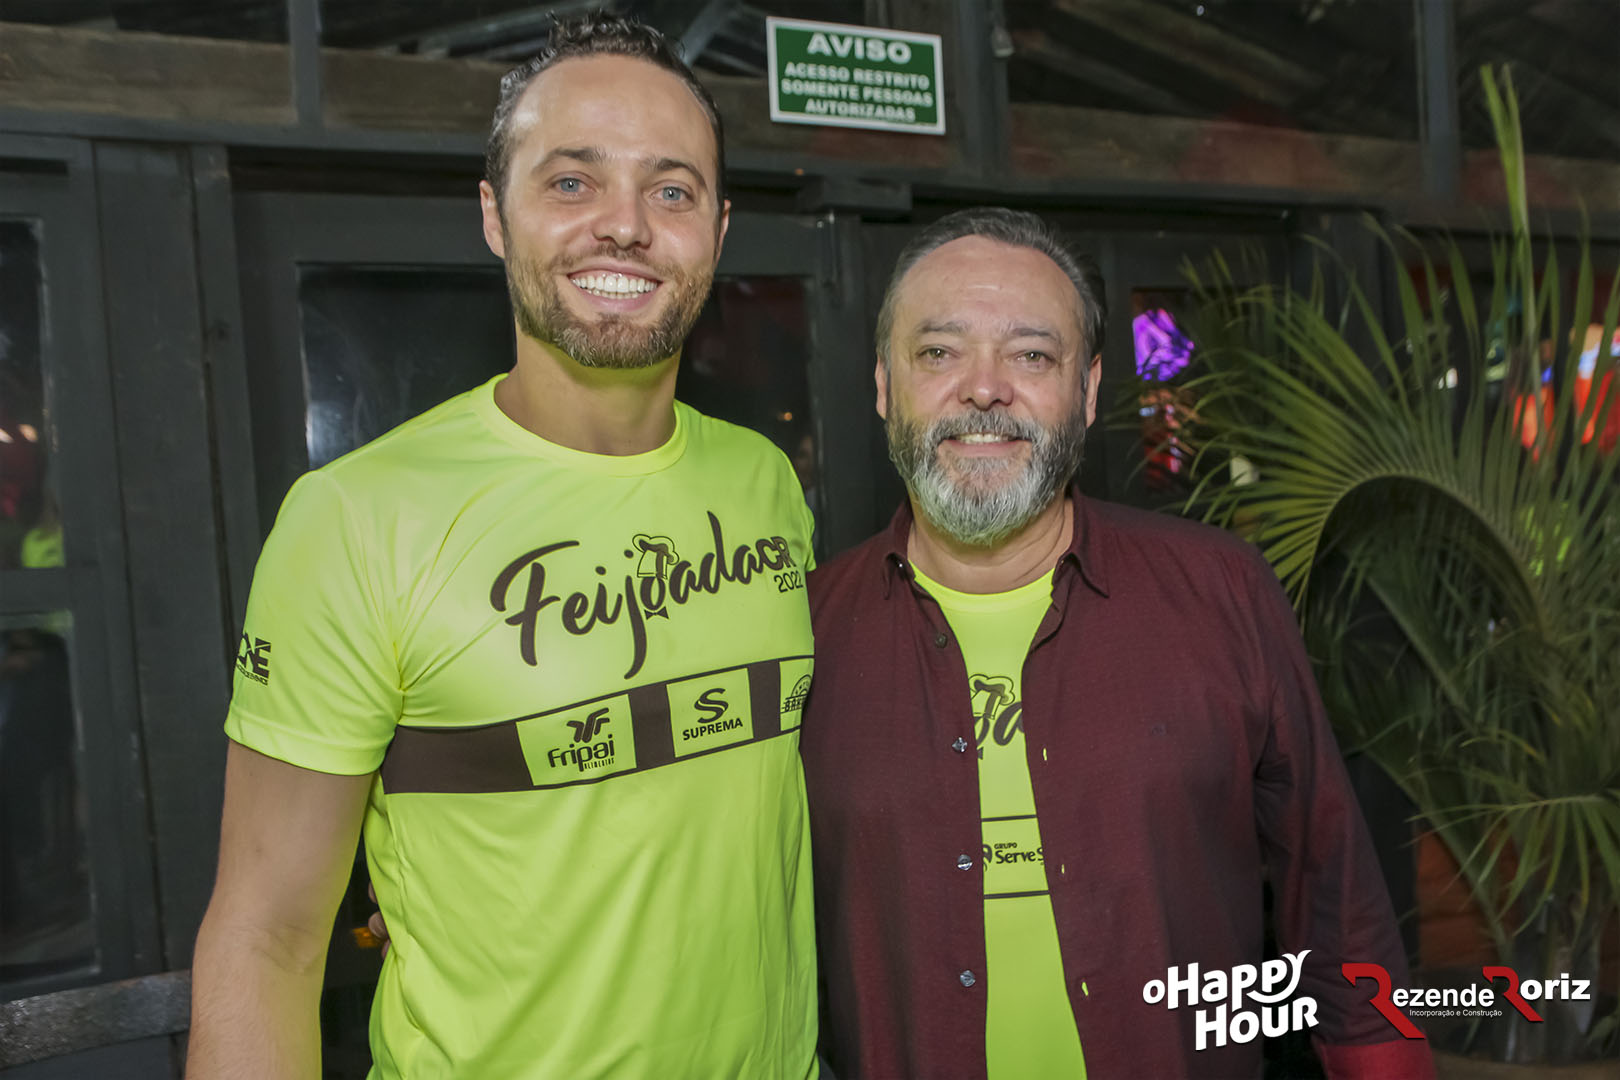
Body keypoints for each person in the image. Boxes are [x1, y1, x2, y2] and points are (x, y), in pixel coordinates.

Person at [188, 16, 819, 1079]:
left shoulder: (765, 485)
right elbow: (268, 937)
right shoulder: (355, 520)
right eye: (572, 182)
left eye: (672, 191)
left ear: (718, 230)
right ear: (494, 213)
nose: (624, 225)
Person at [801, 208, 1435, 1079]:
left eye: (1032, 355)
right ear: (883, 385)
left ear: (1090, 391)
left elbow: (1333, 886)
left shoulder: (1222, 591)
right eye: (939, 352)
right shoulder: (804, 635)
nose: (984, 389)